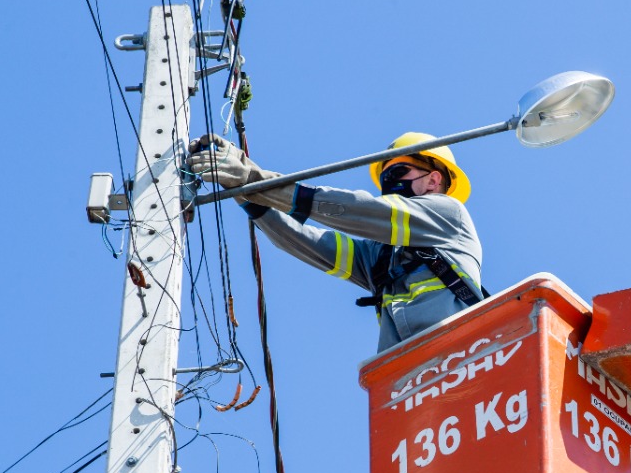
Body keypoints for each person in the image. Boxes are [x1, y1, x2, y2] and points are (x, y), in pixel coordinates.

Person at [187, 132, 485, 352]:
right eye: (384, 178)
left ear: (434, 181)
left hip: (463, 356)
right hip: (407, 379)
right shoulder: (382, 257)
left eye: (398, 172)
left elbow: (354, 209)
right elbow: (303, 240)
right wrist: (243, 188)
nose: (389, 184)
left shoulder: (448, 214)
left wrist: (254, 178)